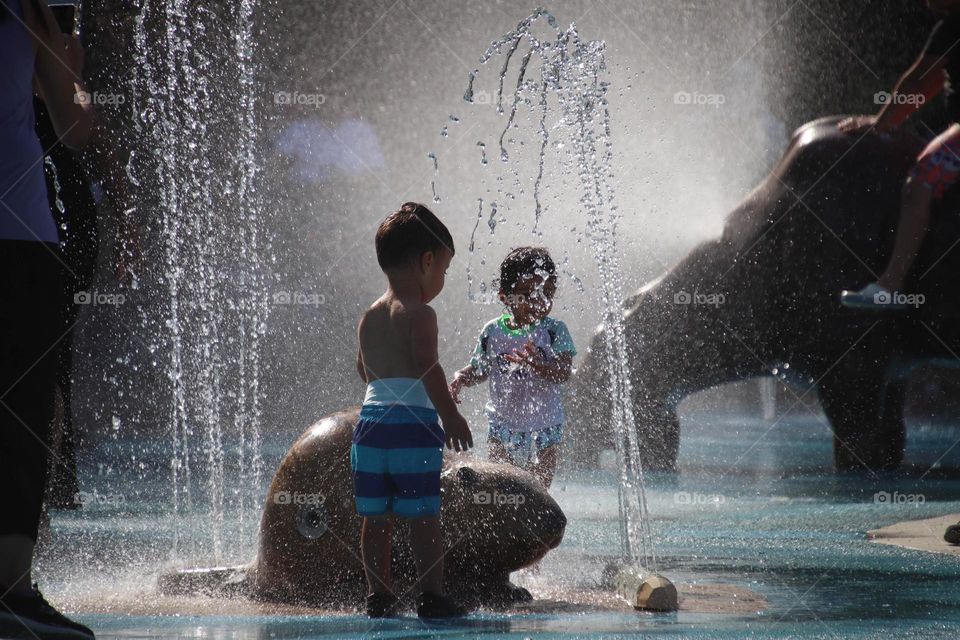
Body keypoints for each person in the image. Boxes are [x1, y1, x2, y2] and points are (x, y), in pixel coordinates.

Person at [0, 0, 96, 638]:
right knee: (20, 412)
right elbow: (71, 123)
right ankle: (10, 591)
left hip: (22, 230)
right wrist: (65, 59)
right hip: (17, 234)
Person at [353, 202, 473, 619]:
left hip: (369, 428)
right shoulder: (421, 313)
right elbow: (427, 364)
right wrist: (451, 415)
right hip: (412, 426)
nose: (441, 279)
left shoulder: (369, 317)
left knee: (377, 516)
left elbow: (362, 369)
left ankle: (378, 596)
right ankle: (432, 597)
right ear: (426, 262)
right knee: (423, 515)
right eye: (443, 269)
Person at [840, 0, 960, 309]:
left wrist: (880, 125)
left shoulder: (953, 25)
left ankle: (891, 284)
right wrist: (884, 121)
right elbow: (931, 82)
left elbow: (920, 80)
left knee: (919, 182)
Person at [449, 247, 575, 489]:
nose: (539, 301)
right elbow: (480, 369)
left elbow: (563, 372)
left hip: (544, 427)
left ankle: (536, 526)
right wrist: (460, 378)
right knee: (500, 487)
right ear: (505, 297)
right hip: (502, 425)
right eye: (528, 294)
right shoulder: (493, 332)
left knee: (538, 493)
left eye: (547, 292)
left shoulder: (554, 331)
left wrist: (537, 365)